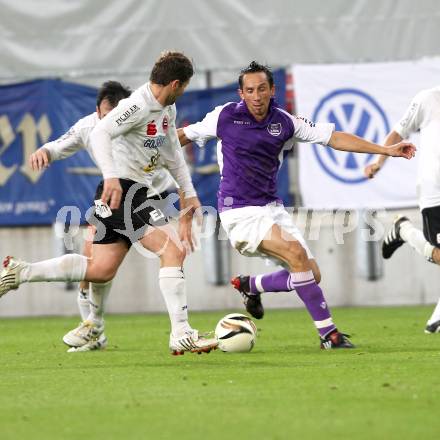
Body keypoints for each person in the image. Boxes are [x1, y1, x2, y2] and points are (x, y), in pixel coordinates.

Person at [178, 61, 416, 349]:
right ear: (241, 93)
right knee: (295, 253)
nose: (256, 96)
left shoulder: (284, 122)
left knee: (310, 274)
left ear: (272, 89)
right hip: (238, 211)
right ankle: (329, 335)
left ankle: (251, 286)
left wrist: (385, 150)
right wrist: (151, 156)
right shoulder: (224, 117)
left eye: (262, 89)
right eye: (250, 90)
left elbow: (334, 138)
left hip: (272, 209)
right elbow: (181, 136)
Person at [0, 51, 217, 355]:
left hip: (125, 192)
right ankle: (180, 332)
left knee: (100, 269)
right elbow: (101, 131)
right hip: (124, 190)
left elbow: (172, 153)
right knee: (173, 249)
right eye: (183, 87)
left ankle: (21, 273)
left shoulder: (166, 109)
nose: (183, 92)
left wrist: (189, 191)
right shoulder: (137, 105)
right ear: (176, 83)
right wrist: (112, 176)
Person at [29, 80, 183, 352]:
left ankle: (96, 327)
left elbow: (171, 145)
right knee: (91, 262)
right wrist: (45, 151)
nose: (107, 120)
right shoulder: (90, 126)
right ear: (97, 111)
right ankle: (93, 328)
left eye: (113, 115)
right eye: (103, 114)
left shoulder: (138, 120)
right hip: (112, 196)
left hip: (150, 196)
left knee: (165, 252)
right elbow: (62, 144)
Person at [364, 86, 440, 334]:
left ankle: (436, 320)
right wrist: (379, 161)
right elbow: (399, 131)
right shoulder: (428, 99)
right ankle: (404, 230)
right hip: (434, 191)